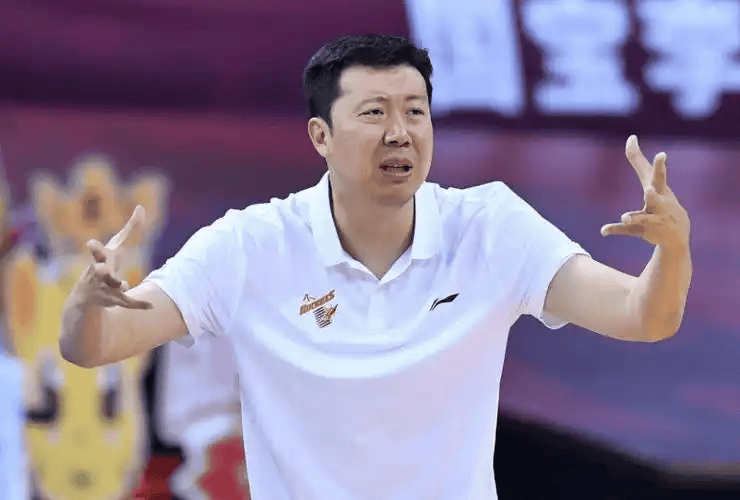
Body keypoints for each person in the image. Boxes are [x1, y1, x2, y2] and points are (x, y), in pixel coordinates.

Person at [59, 34, 692, 499]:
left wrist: (673, 249)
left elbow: (645, 317)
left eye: (415, 111)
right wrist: (86, 306)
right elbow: (96, 346)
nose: (400, 132)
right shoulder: (249, 245)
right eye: (374, 112)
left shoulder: (491, 227)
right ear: (320, 136)